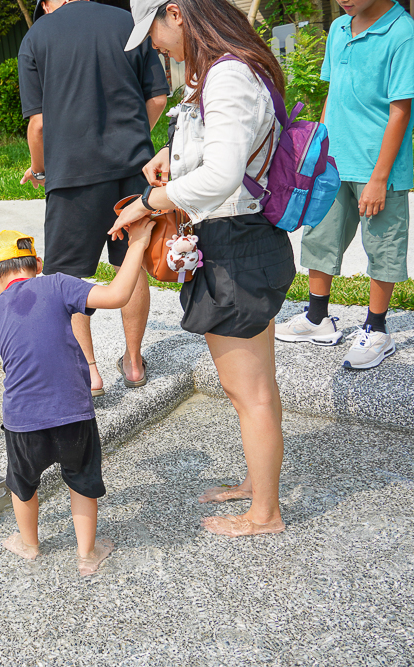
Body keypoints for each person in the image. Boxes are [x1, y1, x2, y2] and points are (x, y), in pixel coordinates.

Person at [111, 0, 297, 537]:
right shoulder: (221, 70)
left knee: (251, 393)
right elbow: (219, 159)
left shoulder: (229, 74)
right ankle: (258, 488)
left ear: (178, 12)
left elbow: (221, 176)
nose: (154, 44)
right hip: (236, 243)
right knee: (257, 387)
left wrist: (151, 201)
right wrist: (171, 157)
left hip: (235, 247)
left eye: (156, 31)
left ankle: (265, 515)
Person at [0, 222, 153, 574]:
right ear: (37, 263)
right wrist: (138, 243)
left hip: (23, 423)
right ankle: (87, 554)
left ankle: (30, 544)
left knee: (22, 485)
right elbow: (116, 295)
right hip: (74, 414)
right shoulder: (57, 284)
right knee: (81, 479)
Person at [18, 0, 171, 395]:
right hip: (132, 172)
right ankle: (134, 362)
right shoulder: (127, 22)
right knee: (131, 265)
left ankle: (89, 372)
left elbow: (38, 126)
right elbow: (157, 98)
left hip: (71, 178)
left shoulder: (37, 37)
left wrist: (40, 169)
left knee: (67, 277)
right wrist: (136, 140)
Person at [274, 0, 414, 370]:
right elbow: (333, 93)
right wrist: (315, 150)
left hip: (377, 166)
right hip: (334, 160)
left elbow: (402, 109)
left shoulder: (402, 33)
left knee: (383, 245)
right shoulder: (338, 28)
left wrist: (380, 178)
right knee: (321, 235)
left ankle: (377, 329)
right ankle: (318, 318)